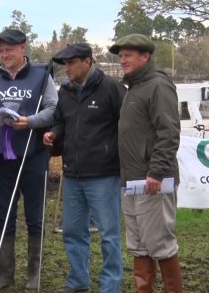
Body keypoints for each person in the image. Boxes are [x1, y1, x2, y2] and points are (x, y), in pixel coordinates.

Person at [0, 28, 57, 291]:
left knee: (34, 216)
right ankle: (5, 274)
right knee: (4, 214)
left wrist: (31, 122)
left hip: (33, 156)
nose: (4, 54)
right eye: (0, 50)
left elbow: (53, 108)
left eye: (9, 49)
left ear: (23, 47)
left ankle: (34, 273)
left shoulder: (42, 75)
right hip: (3, 157)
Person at [43, 43, 125, 293]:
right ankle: (78, 282)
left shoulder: (112, 88)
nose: (66, 68)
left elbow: (127, 126)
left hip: (104, 175)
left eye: (70, 63)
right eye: (64, 64)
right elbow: (61, 123)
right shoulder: (65, 91)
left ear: (87, 61)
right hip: (72, 174)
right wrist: (53, 135)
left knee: (109, 235)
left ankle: (110, 287)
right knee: (73, 232)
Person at [109, 34, 183, 292]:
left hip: (153, 182)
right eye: (120, 56)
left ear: (145, 56)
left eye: (128, 55)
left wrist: (157, 173)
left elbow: (169, 132)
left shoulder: (158, 85)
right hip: (133, 180)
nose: (122, 60)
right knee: (139, 244)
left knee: (160, 243)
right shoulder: (134, 87)